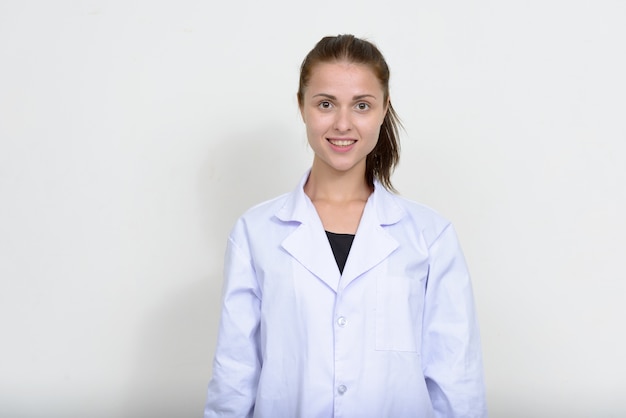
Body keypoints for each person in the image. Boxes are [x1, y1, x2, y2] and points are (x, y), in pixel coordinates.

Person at [204, 34, 487, 418]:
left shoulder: (429, 236)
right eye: (325, 104)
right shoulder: (255, 234)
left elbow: (457, 383)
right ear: (302, 107)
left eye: (362, 106)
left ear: (384, 109)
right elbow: (235, 376)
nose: (342, 123)